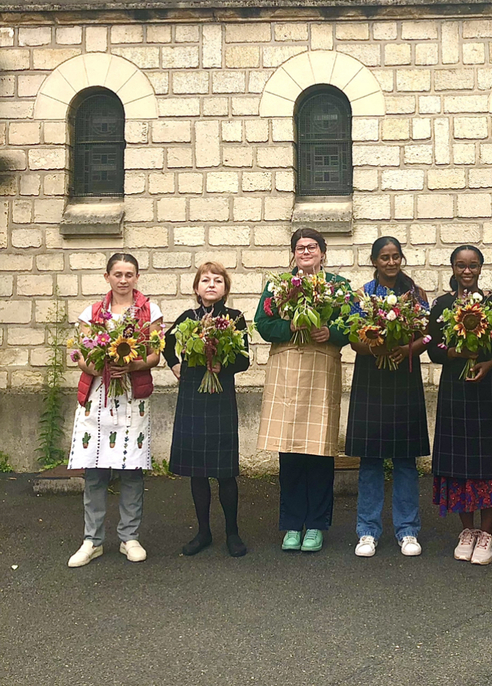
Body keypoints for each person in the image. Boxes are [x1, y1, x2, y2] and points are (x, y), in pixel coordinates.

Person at [255, 228, 351, 553]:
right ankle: (293, 525)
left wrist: (331, 331)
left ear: (323, 252)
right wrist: (289, 327)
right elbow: (262, 323)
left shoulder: (337, 286)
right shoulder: (278, 285)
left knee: (319, 450)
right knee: (290, 450)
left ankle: (318, 525)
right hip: (287, 370)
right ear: (293, 253)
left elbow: (350, 323)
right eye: (300, 247)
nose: (306, 252)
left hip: (322, 369)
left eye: (312, 247)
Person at [66, 253, 163, 568]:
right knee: (94, 471)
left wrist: (128, 364)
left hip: (132, 397)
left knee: (131, 469)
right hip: (98, 396)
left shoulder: (150, 311)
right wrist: (102, 366)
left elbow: (154, 355)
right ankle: (91, 540)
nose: (123, 279)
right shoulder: (90, 313)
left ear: (137, 277)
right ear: (106, 276)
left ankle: (129, 537)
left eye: (129, 274)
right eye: (118, 274)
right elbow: (81, 355)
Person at [427, 245, 492, 566]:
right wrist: (456, 354)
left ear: (481, 268)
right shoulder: (442, 305)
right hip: (456, 389)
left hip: (489, 389)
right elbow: (434, 348)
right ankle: (467, 531)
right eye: (461, 266)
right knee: (460, 463)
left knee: (489, 460)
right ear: (452, 268)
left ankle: (487, 533)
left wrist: (490, 363)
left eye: (473, 265)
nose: (467, 271)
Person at [345, 236, 430, 559]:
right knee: (371, 458)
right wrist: (375, 347)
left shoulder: (416, 294)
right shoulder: (362, 295)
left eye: (396, 256)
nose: (391, 262)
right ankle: (367, 531)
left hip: (404, 375)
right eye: (384, 257)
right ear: (374, 261)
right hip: (372, 377)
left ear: (401, 259)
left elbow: (426, 333)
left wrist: (405, 349)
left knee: (405, 458)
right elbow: (354, 338)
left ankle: (408, 530)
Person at [165, 262, 250, 558]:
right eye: (205, 280)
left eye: (217, 280)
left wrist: (223, 365)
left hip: (220, 397)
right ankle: (203, 531)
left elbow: (245, 359)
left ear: (225, 288)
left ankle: (232, 532)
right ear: (196, 287)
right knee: (197, 472)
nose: (211, 285)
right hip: (192, 396)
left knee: (225, 472)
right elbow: (167, 343)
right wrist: (175, 365)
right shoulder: (187, 318)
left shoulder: (235, 319)